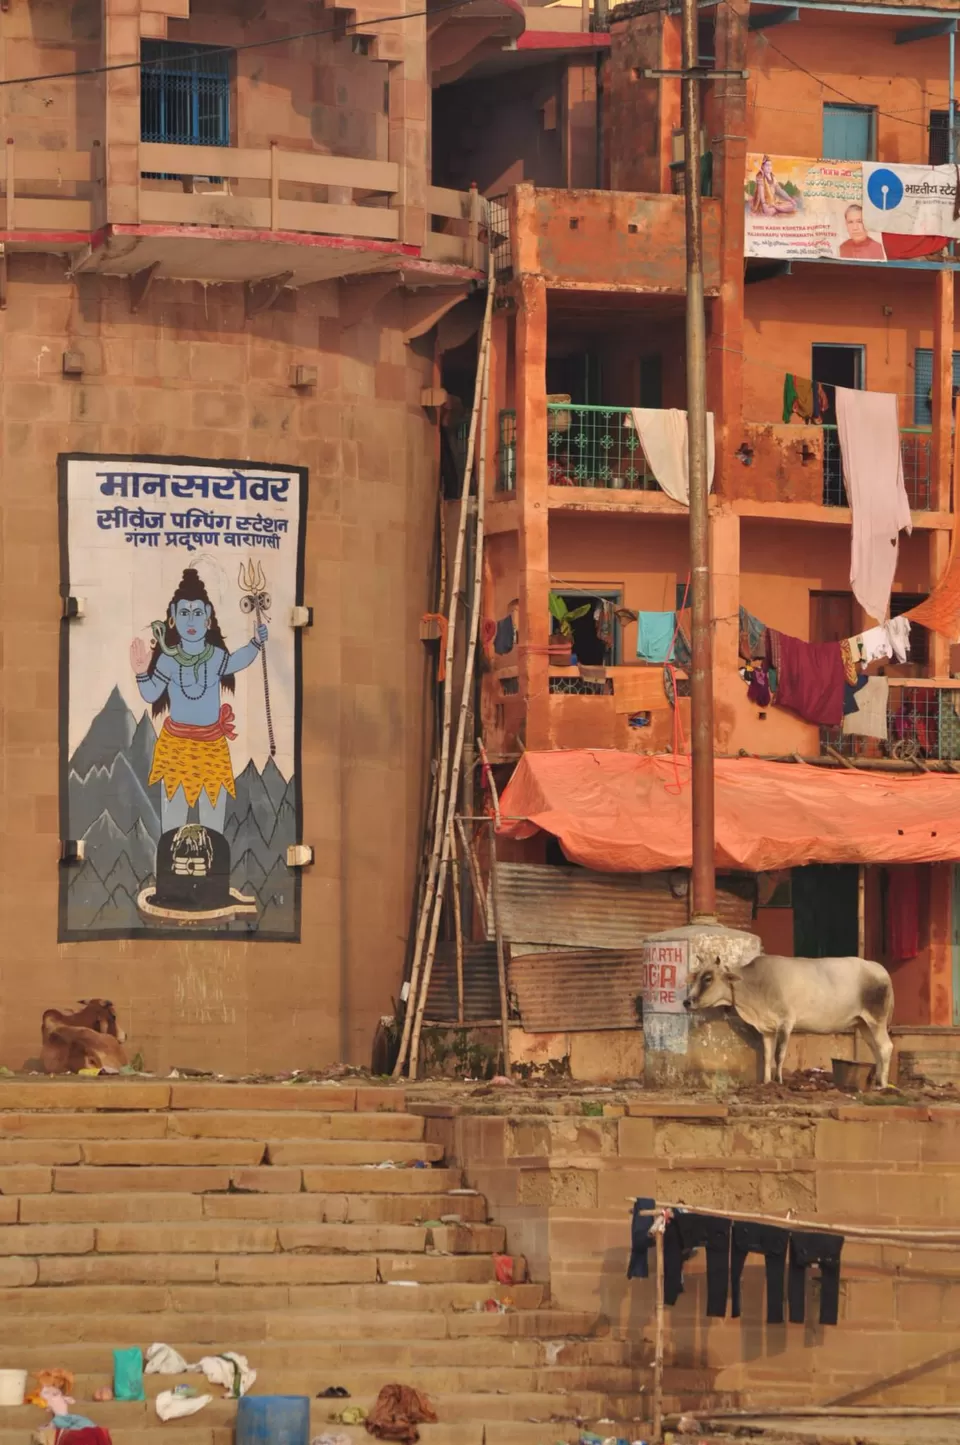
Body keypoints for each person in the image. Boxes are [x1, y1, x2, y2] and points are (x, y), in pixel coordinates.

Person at [130, 566, 268, 837]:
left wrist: (255, 643)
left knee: (212, 824)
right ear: (172, 619)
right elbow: (151, 694)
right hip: (175, 748)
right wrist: (140, 672)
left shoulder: (216, 657)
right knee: (172, 824)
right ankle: (172, 874)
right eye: (183, 613)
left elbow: (237, 660)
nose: (190, 620)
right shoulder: (168, 660)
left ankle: (212, 875)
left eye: (197, 613)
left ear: (208, 620)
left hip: (212, 748)